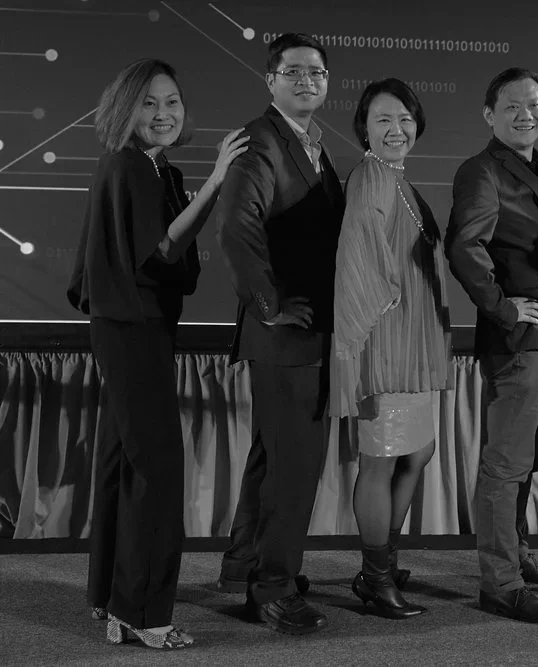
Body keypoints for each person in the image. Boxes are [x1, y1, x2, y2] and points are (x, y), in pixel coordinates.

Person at [67, 58, 247, 649]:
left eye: (172, 102)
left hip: (131, 327)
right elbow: (166, 249)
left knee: (124, 463)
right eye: (149, 103)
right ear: (125, 109)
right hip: (133, 329)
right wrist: (219, 180)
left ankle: (113, 601)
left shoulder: (152, 168)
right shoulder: (131, 166)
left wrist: (191, 206)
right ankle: (146, 614)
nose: (164, 114)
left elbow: (172, 260)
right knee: (158, 471)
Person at [214, 32, 346, 635]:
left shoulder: (314, 144)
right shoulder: (260, 141)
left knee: (272, 462)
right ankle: (274, 588)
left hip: (309, 335)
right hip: (285, 336)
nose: (306, 80)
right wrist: (268, 306)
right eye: (292, 71)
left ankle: (249, 571)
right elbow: (238, 228)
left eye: (316, 72)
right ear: (270, 80)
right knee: (294, 469)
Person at [446, 67, 538, 624]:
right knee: (504, 465)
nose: (526, 114)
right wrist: (502, 307)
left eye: (535, 105)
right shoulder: (481, 170)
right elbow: (464, 246)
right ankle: (500, 584)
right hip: (517, 337)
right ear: (488, 114)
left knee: (526, 460)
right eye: (513, 107)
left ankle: (518, 557)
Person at [330, 78, 452, 619]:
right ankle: (375, 577)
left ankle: (383, 559)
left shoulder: (398, 178)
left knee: (418, 451)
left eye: (404, 118)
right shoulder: (370, 177)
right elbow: (359, 256)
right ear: (364, 129)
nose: (395, 129)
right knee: (380, 460)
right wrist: (377, 321)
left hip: (415, 339)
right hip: (386, 339)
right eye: (382, 120)